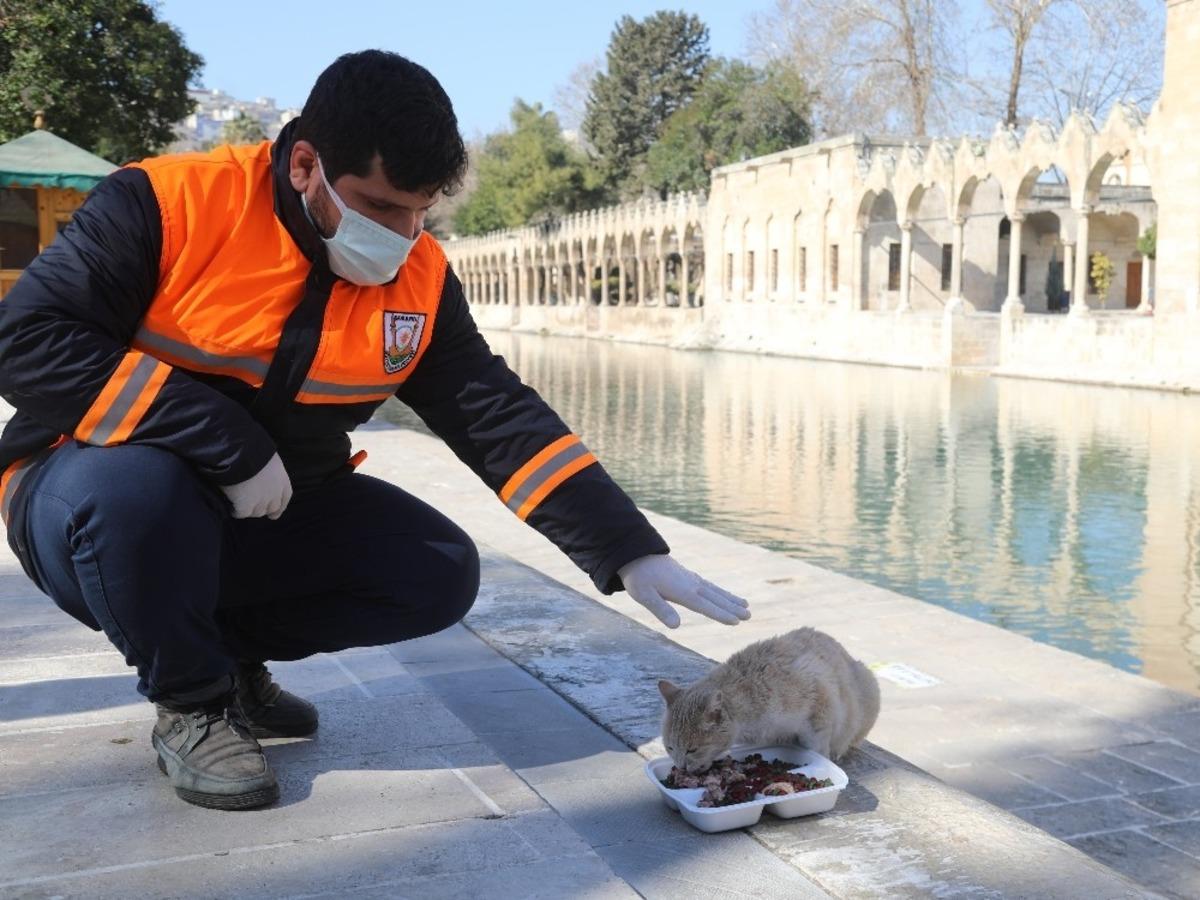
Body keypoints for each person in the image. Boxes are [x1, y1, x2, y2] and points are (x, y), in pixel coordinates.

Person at [0, 50, 751, 811]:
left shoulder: (420, 277)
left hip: (265, 508)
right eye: (381, 207)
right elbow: (24, 340)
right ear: (305, 166)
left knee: (436, 571)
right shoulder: (171, 202)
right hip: (86, 500)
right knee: (137, 494)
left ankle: (225, 658)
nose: (403, 234)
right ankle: (193, 704)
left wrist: (626, 549)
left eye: (422, 210)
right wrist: (226, 441)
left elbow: (495, 415)